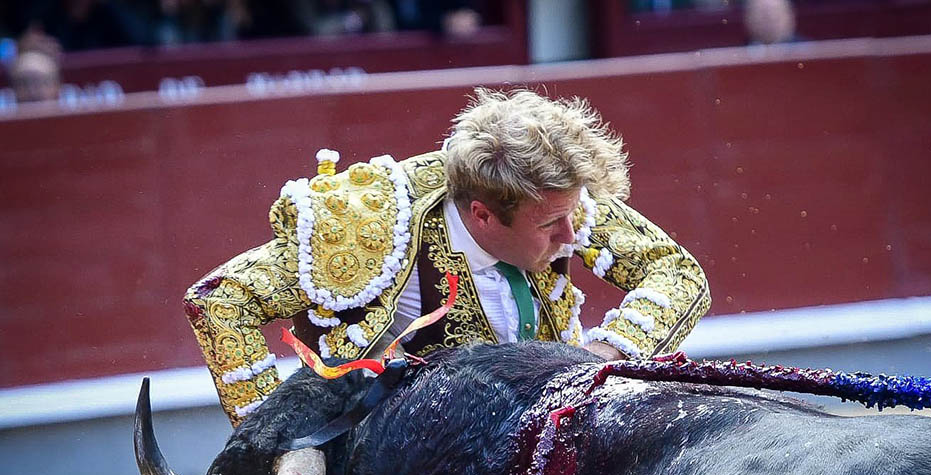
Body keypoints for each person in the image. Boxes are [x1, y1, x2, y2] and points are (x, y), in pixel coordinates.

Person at [185, 88, 711, 425]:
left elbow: (679, 274)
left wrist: (607, 353)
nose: (571, 236)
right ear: (482, 216)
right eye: (550, 225)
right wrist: (271, 435)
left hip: (542, 427)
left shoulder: (551, 197)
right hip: (403, 464)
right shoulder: (375, 225)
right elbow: (220, 300)